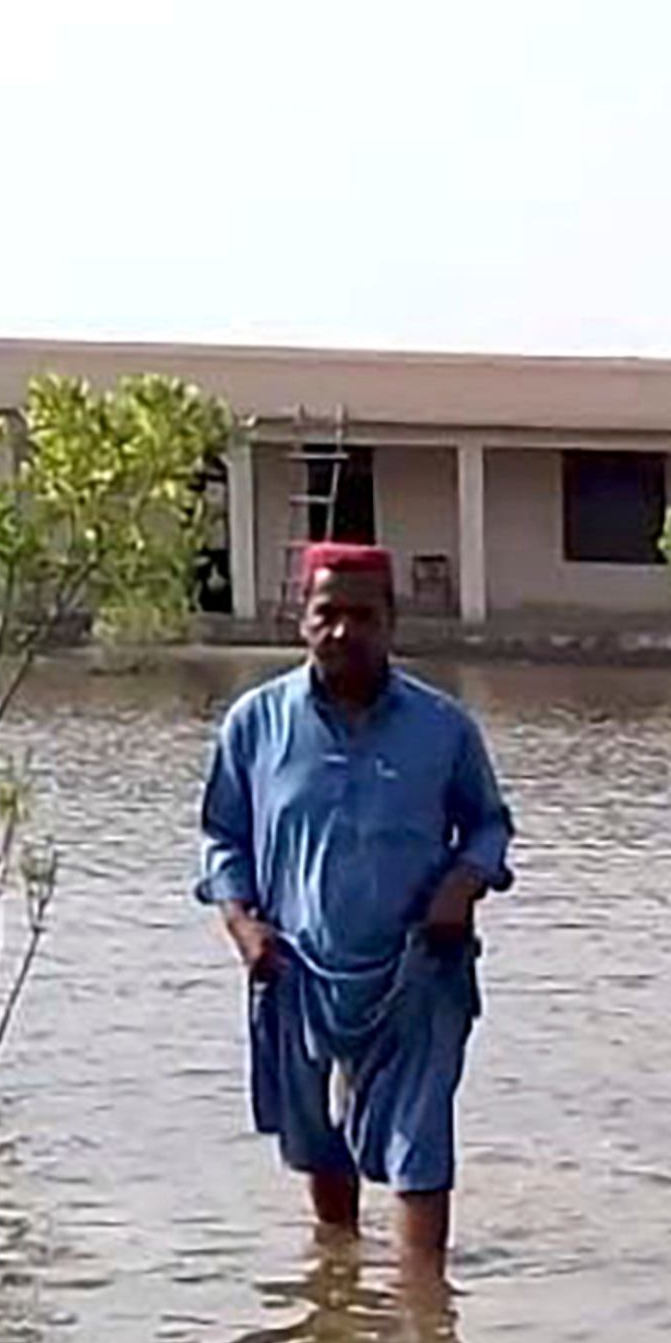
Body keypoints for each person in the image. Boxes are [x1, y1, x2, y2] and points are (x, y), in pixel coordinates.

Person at [198, 543, 515, 1279]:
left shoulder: (443, 728)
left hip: (418, 965)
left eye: (362, 615)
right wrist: (244, 927)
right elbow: (221, 836)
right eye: (327, 613)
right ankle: (337, 1294)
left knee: (419, 1141)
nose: (344, 630)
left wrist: (462, 885)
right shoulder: (255, 725)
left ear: (391, 622)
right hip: (297, 967)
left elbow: (490, 824)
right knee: (318, 1144)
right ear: (299, 620)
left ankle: (424, 1317)